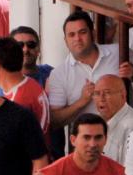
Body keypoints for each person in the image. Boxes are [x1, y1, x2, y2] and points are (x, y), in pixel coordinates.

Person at [45, 10, 120, 159]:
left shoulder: (117, 52)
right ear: (65, 40)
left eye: (82, 32)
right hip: (87, 150)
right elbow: (54, 121)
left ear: (93, 33)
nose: (77, 39)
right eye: (71, 35)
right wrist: (81, 102)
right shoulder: (59, 74)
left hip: (122, 139)